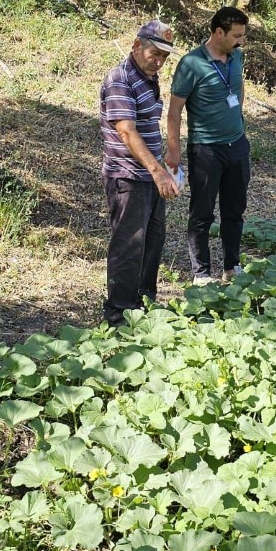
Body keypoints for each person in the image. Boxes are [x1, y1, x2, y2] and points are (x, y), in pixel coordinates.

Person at [100, 20, 181, 326]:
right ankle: (118, 314)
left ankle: (143, 303)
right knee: (129, 245)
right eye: (154, 53)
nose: (158, 61)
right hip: (128, 176)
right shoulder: (120, 79)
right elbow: (126, 132)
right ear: (136, 46)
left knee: (152, 240)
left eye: (164, 56)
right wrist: (157, 171)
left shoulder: (148, 78)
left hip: (150, 175)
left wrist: (164, 166)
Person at [165, 7, 250, 285]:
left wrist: (238, 121)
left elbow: (238, 89)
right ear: (218, 32)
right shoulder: (192, 64)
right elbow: (175, 111)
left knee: (234, 210)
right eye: (236, 36)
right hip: (206, 149)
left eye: (243, 36)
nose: (241, 41)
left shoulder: (236, 56)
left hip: (236, 145)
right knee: (202, 212)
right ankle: (201, 274)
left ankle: (232, 267)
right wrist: (174, 149)